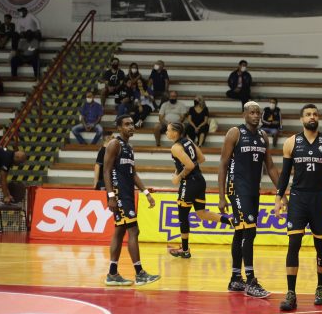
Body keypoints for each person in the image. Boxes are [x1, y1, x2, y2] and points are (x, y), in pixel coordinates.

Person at [273, 104, 322, 312]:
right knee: (294, 244)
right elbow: (285, 174)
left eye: (315, 114)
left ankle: (320, 288)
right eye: (308, 114)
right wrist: (278, 197)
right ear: (301, 119)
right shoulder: (291, 142)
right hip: (298, 199)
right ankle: (291, 292)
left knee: (321, 246)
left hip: (320, 199)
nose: (312, 117)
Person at [218, 101, 283, 297]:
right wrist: (221, 197)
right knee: (249, 230)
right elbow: (222, 165)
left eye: (258, 112)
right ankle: (251, 281)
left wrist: (281, 192)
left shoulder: (263, 136)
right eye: (252, 112)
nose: (256, 115)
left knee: (241, 232)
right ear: (244, 114)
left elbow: (270, 166)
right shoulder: (235, 133)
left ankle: (235, 279)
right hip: (237, 188)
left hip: (254, 190)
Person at [103, 114, 160, 286]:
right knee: (134, 231)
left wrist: (145, 192)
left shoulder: (128, 147)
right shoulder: (114, 144)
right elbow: (106, 171)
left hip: (127, 193)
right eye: (127, 124)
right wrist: (111, 196)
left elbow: (133, 173)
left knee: (120, 231)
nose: (131, 127)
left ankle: (112, 274)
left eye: (132, 124)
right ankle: (140, 274)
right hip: (119, 194)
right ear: (119, 127)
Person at [165, 122, 233, 258]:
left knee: (183, 217)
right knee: (201, 213)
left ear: (175, 132)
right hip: (200, 181)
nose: (166, 132)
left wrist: (178, 177)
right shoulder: (188, 141)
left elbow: (189, 165)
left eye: (168, 130)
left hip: (189, 183)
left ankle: (185, 250)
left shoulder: (176, 147)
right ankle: (232, 222)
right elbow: (201, 159)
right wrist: (181, 168)